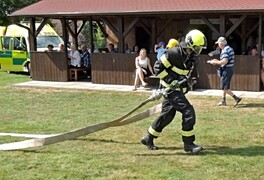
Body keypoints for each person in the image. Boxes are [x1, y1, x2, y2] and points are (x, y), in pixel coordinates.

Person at [140, 29, 207, 153]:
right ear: (189, 44)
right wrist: (171, 81)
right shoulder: (173, 53)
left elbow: (187, 74)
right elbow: (157, 68)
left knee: (167, 115)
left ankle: (149, 137)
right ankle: (189, 144)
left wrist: (190, 81)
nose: (198, 51)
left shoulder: (191, 57)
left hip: (178, 90)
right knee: (188, 111)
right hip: (169, 89)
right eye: (197, 48)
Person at [207, 37, 242, 106]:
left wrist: (215, 62)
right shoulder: (229, 48)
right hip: (229, 69)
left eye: (218, 44)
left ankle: (236, 98)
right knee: (225, 86)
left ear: (221, 43)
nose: (218, 45)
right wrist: (217, 61)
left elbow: (225, 61)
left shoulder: (225, 50)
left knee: (225, 87)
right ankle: (223, 101)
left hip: (227, 69)